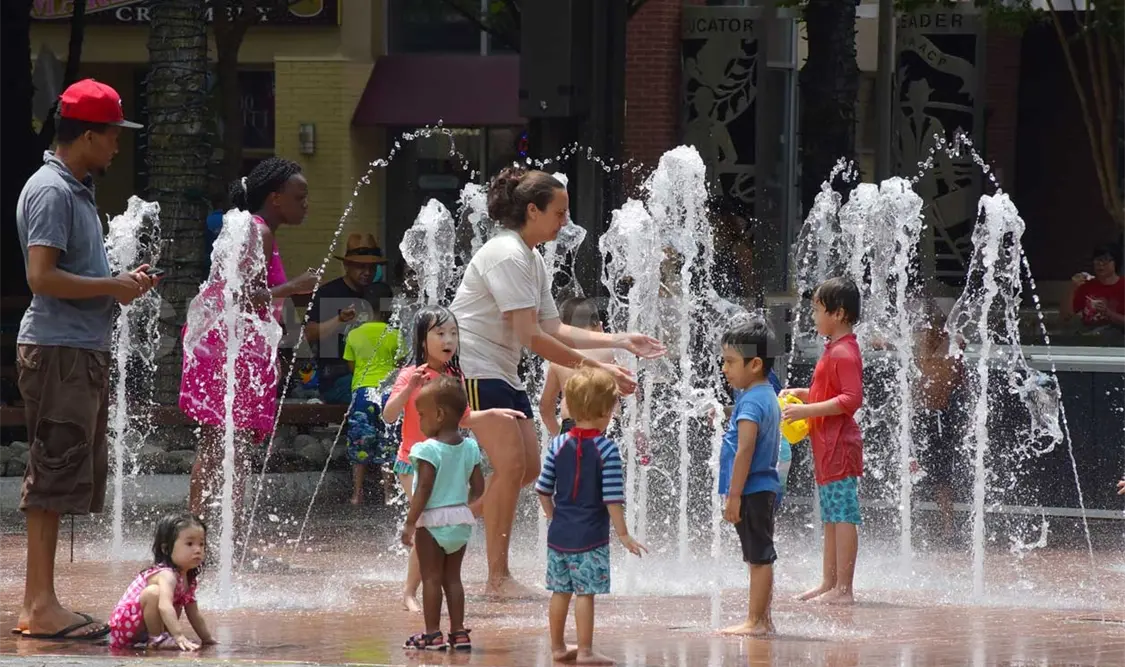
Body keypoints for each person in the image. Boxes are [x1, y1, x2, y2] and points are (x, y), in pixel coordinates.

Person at [449, 166, 665, 597]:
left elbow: (555, 327)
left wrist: (620, 338)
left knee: (528, 468)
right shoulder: (507, 254)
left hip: (502, 372)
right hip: (475, 368)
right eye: (559, 213)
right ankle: (497, 578)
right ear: (532, 210)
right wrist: (600, 369)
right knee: (511, 467)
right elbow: (533, 339)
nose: (565, 222)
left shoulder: (530, 257)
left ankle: (448, 517)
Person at [13, 78, 155, 641]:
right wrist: (111, 287)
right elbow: (40, 277)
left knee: (58, 472)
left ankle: (41, 602)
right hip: (60, 350)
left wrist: (117, 284)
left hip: (74, 349)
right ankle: (40, 606)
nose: (118, 146)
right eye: (114, 135)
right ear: (88, 135)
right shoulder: (51, 190)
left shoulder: (73, 189)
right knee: (50, 475)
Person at [180, 158, 318, 536]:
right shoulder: (258, 232)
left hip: (235, 348)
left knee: (232, 443)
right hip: (227, 349)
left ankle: (226, 533)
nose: (305, 205)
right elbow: (238, 298)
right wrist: (292, 288)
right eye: (299, 197)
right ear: (275, 198)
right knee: (219, 442)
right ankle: (199, 533)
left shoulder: (255, 231)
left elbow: (255, 299)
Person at [383, 305, 525, 613]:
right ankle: (410, 592)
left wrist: (494, 413)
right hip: (414, 461)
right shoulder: (411, 375)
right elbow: (389, 414)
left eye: (454, 333)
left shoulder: (455, 375)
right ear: (423, 341)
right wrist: (410, 388)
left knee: (431, 526)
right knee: (426, 524)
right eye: (440, 333)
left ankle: (422, 588)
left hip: (444, 464)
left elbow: (463, 418)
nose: (449, 339)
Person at [535, 366, 647, 664]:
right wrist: (623, 534)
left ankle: (558, 648)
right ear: (605, 413)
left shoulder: (557, 445)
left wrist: (552, 517)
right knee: (585, 593)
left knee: (560, 591)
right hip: (591, 537)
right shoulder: (607, 450)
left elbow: (543, 488)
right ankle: (584, 650)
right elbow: (612, 497)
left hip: (559, 534)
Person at [780, 277, 864, 605]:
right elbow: (830, 392)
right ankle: (829, 582)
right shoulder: (834, 350)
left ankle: (845, 588)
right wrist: (803, 395)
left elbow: (851, 399)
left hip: (839, 446)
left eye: (817, 310)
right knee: (831, 514)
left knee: (843, 515)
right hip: (827, 446)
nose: (813, 317)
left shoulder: (844, 352)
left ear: (839, 313)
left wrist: (807, 411)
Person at [399, 377, 485, 652]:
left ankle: (432, 633)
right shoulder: (470, 447)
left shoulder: (427, 449)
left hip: (433, 522)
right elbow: (479, 487)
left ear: (439, 414)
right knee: (453, 579)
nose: (420, 420)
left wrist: (410, 523)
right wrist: (462, 504)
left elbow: (424, 489)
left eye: (421, 414)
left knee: (431, 578)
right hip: (460, 520)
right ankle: (459, 633)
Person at [717, 319, 783, 636]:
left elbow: (744, 451)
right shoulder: (765, 395)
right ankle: (762, 619)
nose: (724, 369)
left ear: (755, 364)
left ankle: (756, 621)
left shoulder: (753, 401)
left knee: (759, 559)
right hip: (760, 488)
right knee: (759, 556)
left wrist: (733, 496)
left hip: (751, 490)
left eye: (730, 362)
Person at [108, 514, 214, 651]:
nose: (198, 549)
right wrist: (179, 635)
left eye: (201, 544)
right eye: (189, 544)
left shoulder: (188, 578)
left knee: (177, 601)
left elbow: (194, 613)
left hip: (140, 628)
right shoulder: (166, 574)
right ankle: (157, 638)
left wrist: (207, 639)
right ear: (166, 549)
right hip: (125, 628)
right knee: (154, 593)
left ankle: (162, 636)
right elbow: (164, 606)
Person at [306, 233, 389, 404]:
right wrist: (339, 320)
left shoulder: (379, 293)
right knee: (373, 395)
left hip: (376, 373)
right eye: (361, 267)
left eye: (372, 268)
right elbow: (309, 333)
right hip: (338, 378)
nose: (367, 273)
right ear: (346, 265)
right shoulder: (328, 293)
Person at [342, 282, 403, 505]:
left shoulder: (354, 335)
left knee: (359, 442)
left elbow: (351, 367)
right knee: (388, 441)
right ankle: (388, 494)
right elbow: (400, 364)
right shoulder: (395, 334)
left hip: (362, 394)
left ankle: (357, 494)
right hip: (389, 394)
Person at [912, 299, 966, 541]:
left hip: (937, 415)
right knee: (917, 469)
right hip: (923, 414)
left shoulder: (948, 347)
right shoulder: (925, 344)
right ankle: (935, 525)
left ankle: (947, 526)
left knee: (940, 474)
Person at [538, 297, 617, 436]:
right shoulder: (611, 354)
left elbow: (545, 409)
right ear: (598, 325)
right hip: (609, 425)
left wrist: (558, 436)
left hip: (572, 426)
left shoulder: (559, 360)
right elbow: (633, 394)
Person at [1062, 243, 1125, 331]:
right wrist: (1072, 288)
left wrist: (1108, 313)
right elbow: (1065, 317)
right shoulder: (1086, 286)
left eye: (1105, 260)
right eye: (1097, 260)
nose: (1100, 264)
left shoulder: (1123, 285)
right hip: (1088, 337)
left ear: (1116, 262)